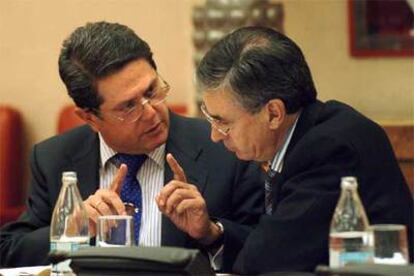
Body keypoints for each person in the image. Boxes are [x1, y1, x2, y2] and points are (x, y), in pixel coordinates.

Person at [0, 22, 264, 268]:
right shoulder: (54, 158)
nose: (151, 113)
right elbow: (9, 251)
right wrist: (72, 228)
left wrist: (210, 232)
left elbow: (268, 250)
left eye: (151, 91)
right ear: (90, 118)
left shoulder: (224, 147)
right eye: (128, 106)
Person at [156, 26, 414, 274]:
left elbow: (268, 259)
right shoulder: (302, 136)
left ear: (273, 113)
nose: (214, 136)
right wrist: (210, 232)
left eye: (223, 122)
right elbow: (273, 240)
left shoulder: (329, 148)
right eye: (210, 120)